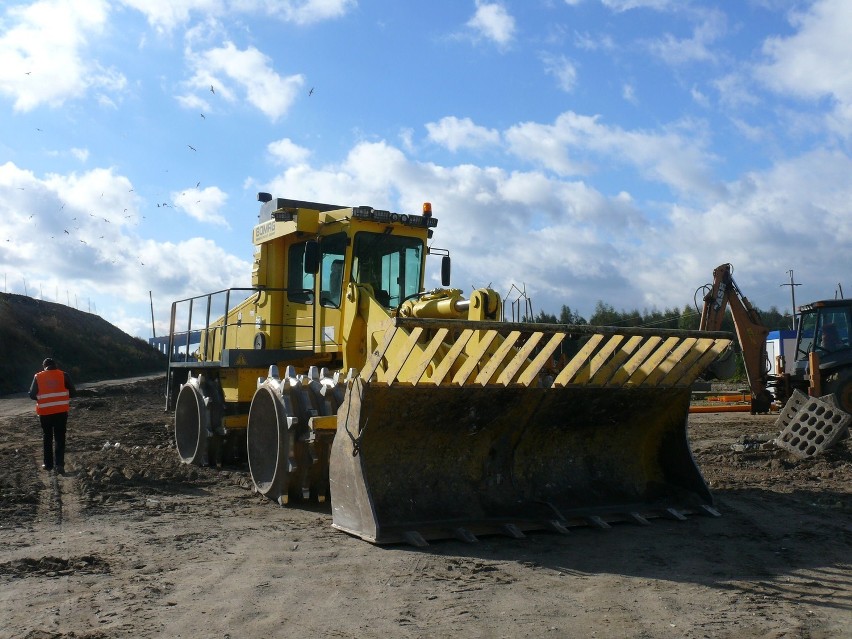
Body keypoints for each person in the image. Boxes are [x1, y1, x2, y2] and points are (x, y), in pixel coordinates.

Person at [29, 358, 76, 474]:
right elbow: (73, 392)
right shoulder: (64, 375)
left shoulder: (38, 376)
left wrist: (42, 398)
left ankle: (48, 464)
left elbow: (31, 394)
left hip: (45, 412)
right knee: (60, 437)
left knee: (47, 437)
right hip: (61, 411)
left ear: (44, 366)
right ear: (56, 365)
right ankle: (59, 464)